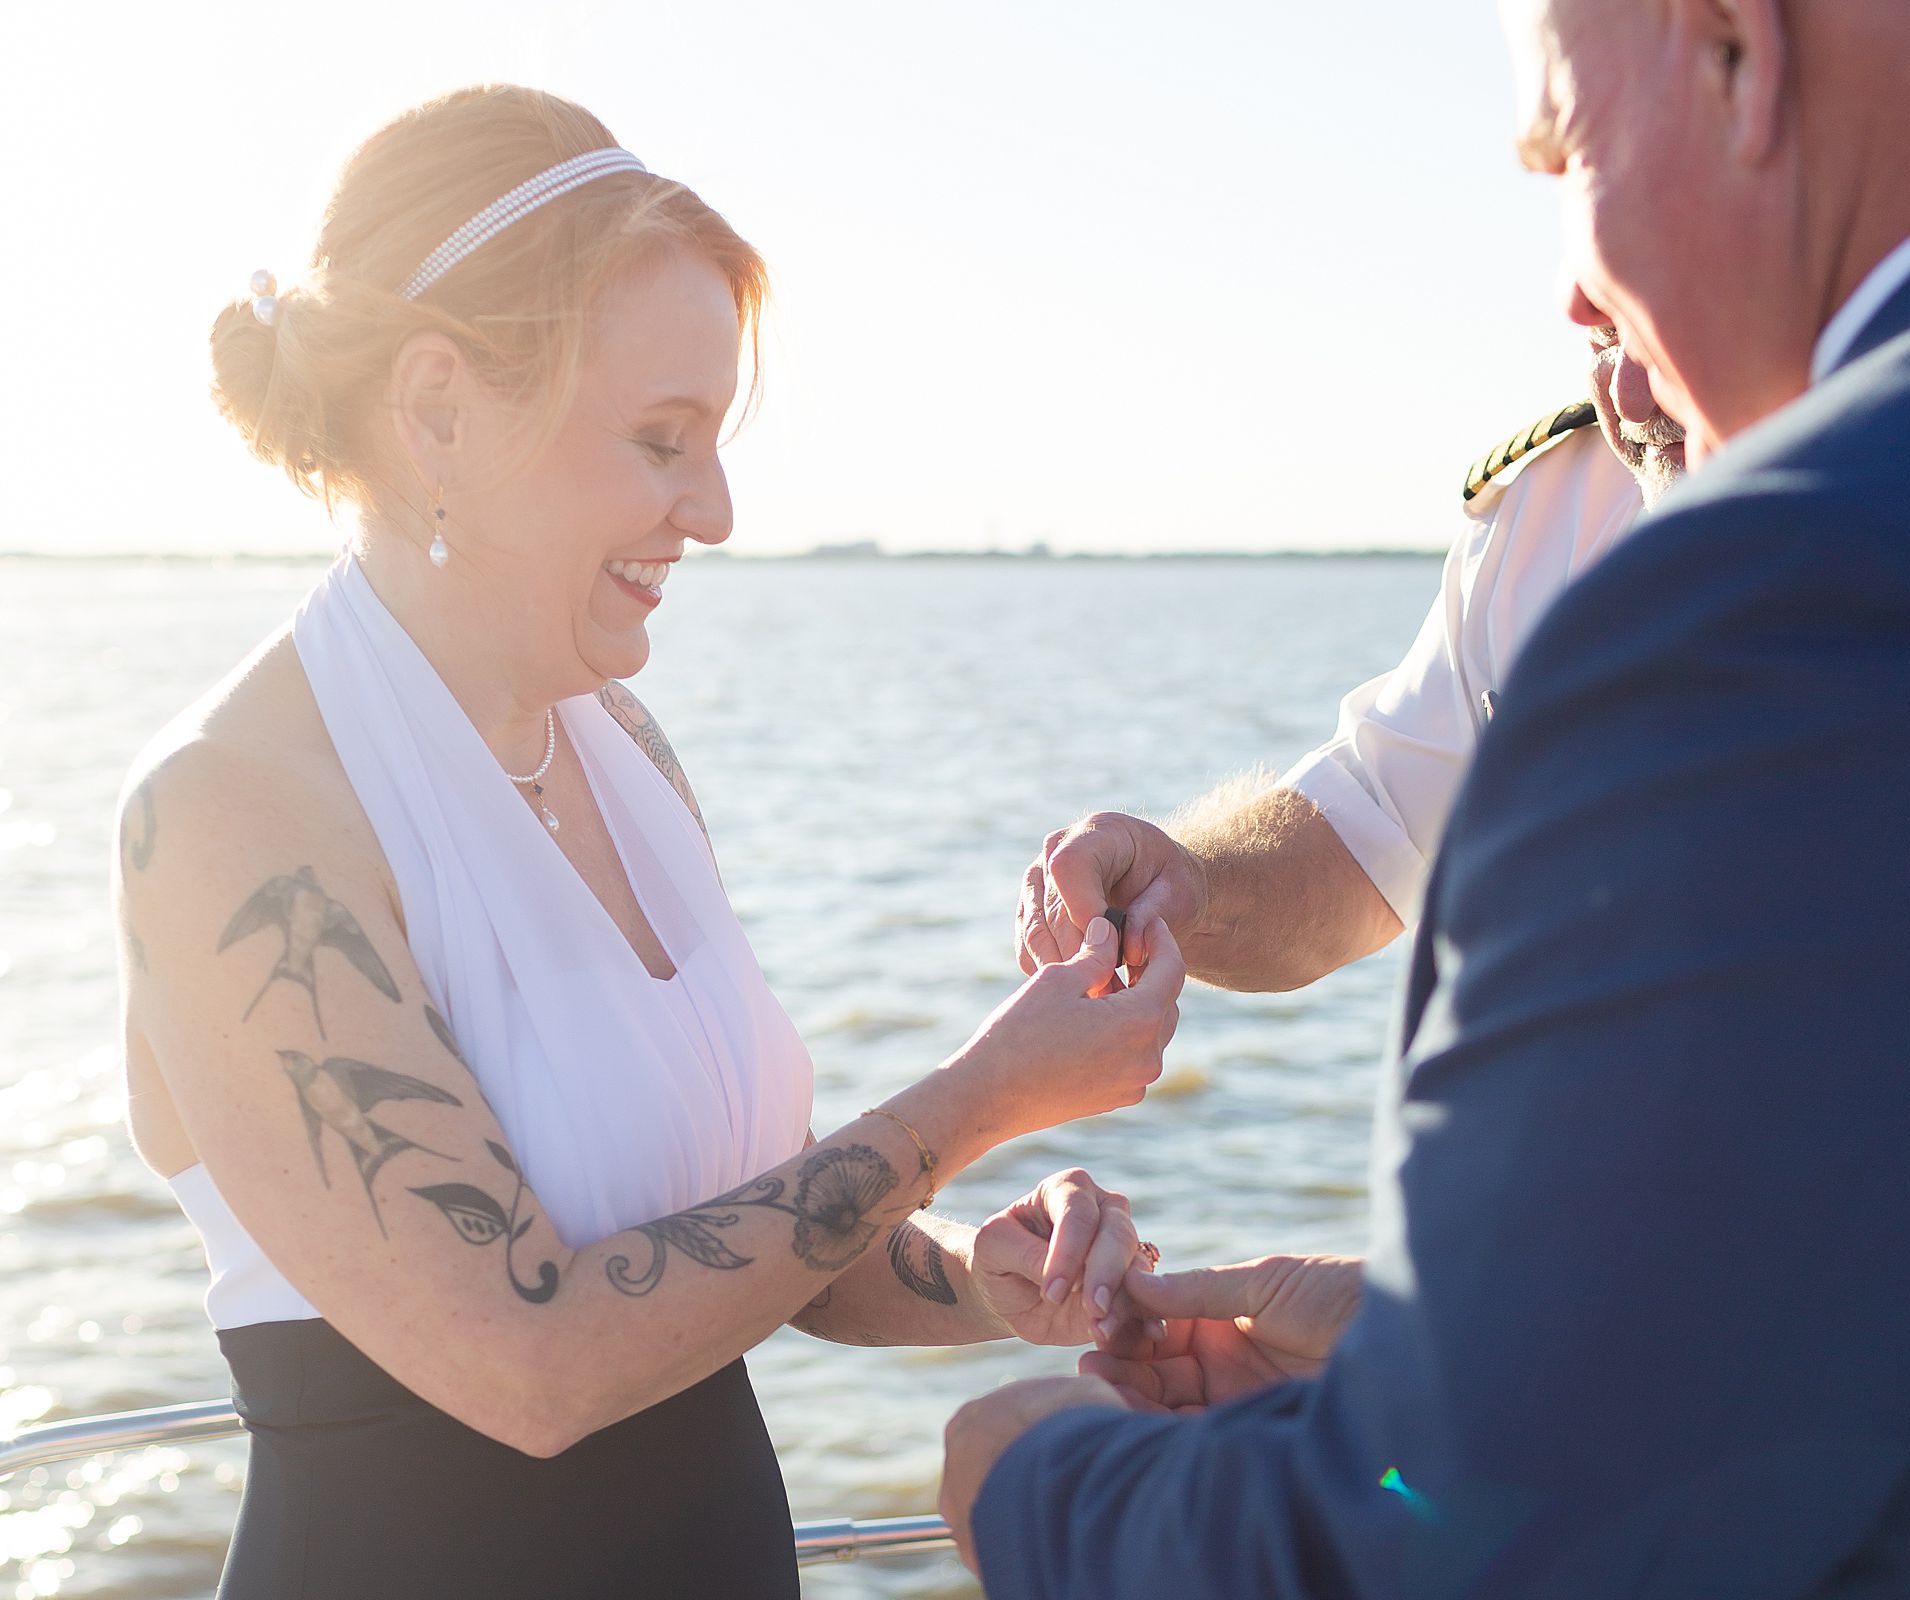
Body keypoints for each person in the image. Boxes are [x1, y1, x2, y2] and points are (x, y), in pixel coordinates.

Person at [945, 0, 1910, 1592]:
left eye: (1564, 147)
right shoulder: (1565, 514)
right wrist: (1413, 1340)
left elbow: (1464, 1547)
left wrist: (1035, 1481)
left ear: (1736, 53)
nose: (1572, 290)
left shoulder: (1793, 583)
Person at [113, 86, 1180, 1599]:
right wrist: (980, 1096)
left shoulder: (616, 744)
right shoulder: (231, 813)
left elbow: (737, 1226)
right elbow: (531, 1354)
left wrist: (979, 1275)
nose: (721, 509)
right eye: (662, 438)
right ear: (436, 413)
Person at [1015, 329, 1688, 989]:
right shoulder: (1555, 504)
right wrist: (1187, 885)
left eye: (1666, 326)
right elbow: (1374, 835)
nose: (1628, 397)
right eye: (1605, 339)